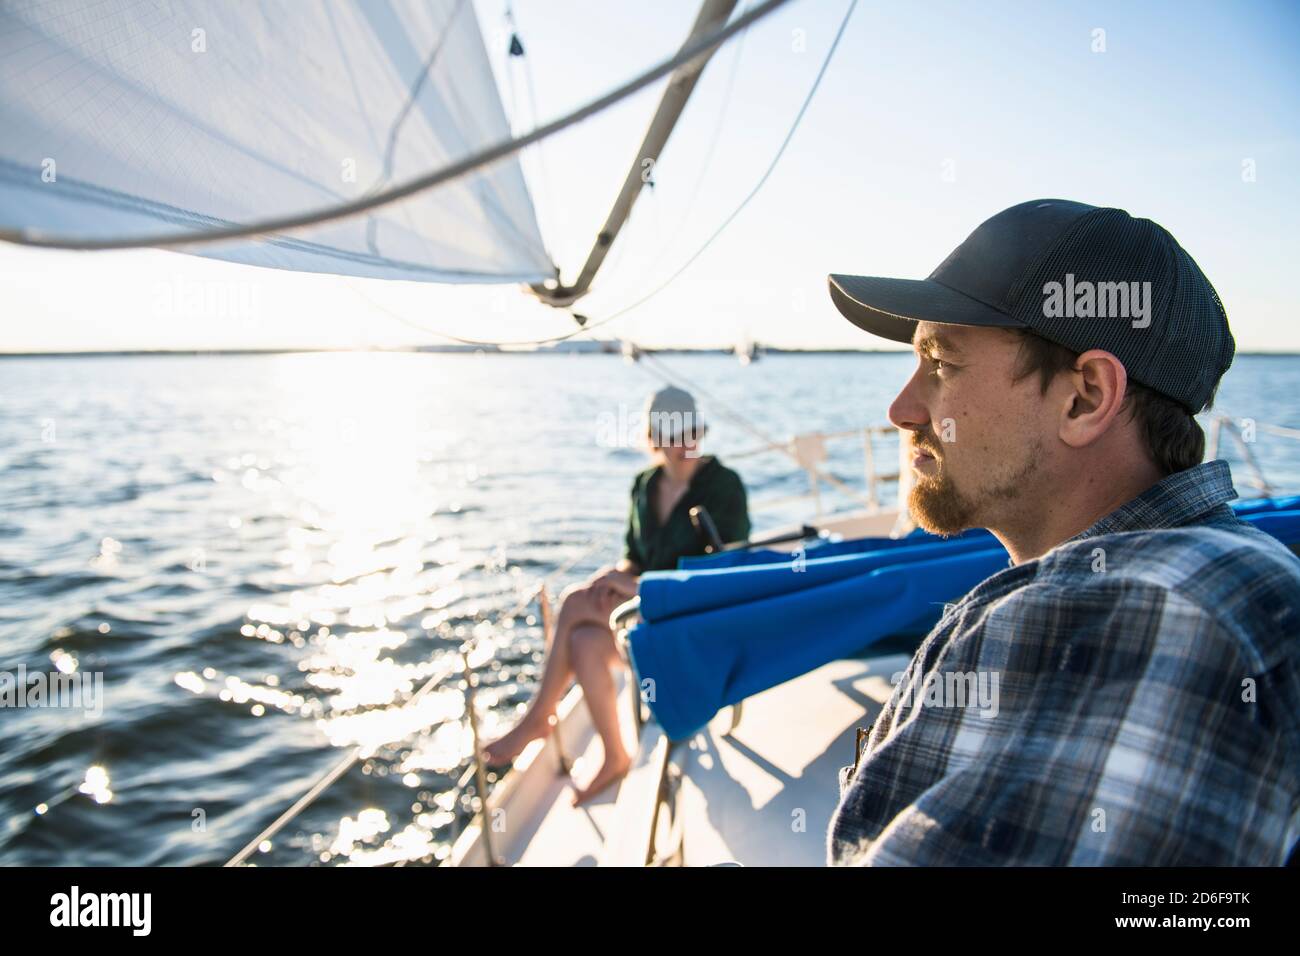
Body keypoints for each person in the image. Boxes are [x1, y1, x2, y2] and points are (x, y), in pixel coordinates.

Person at [824, 198, 1300, 865]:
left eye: (942, 365)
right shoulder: (1205, 575)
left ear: (1086, 398)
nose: (902, 410)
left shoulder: (1142, 611)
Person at [481, 385, 750, 804]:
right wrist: (615, 578)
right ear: (655, 439)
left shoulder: (724, 487)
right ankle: (614, 755)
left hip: (693, 629)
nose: (684, 445)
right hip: (641, 618)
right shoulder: (645, 485)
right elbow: (633, 556)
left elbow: (726, 581)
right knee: (583, 640)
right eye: (672, 435)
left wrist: (636, 585)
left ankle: (536, 719)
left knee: (571, 604)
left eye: (690, 433)